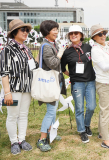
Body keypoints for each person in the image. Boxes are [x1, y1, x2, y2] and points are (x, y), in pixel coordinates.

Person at [0, 19, 38, 155]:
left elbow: (33, 66)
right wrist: (7, 93)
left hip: (27, 88)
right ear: (14, 32)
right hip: (14, 88)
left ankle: (22, 139)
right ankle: (13, 141)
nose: (26, 32)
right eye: (23, 30)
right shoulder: (7, 49)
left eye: (27, 30)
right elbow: (4, 73)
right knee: (12, 116)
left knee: (23, 115)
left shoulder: (26, 48)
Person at [61, 25, 96, 143]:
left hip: (90, 81)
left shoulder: (89, 47)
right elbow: (62, 68)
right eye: (71, 33)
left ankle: (87, 125)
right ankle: (82, 131)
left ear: (81, 35)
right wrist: (71, 75)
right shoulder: (67, 52)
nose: (73, 35)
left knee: (91, 107)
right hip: (77, 83)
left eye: (76, 33)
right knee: (79, 108)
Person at [36, 20, 66, 152]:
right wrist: (60, 53)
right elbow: (53, 64)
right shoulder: (46, 46)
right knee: (51, 111)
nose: (56, 32)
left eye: (57, 29)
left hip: (55, 81)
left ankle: (50, 132)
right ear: (47, 32)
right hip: (49, 82)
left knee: (53, 110)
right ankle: (42, 139)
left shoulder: (53, 44)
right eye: (53, 29)